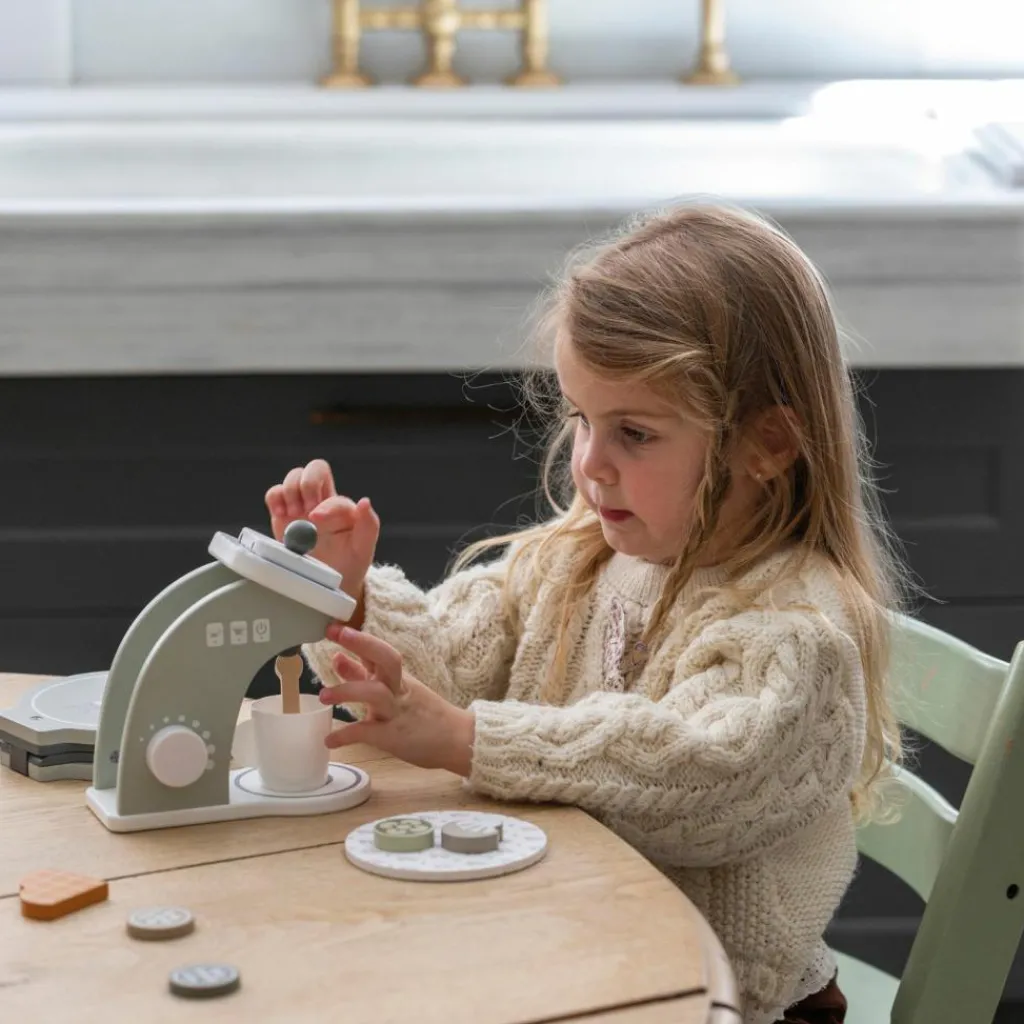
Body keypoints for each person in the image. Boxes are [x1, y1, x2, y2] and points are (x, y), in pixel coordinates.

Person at [264, 202, 912, 1024]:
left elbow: (695, 778)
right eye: (581, 418)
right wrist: (346, 598)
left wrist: (468, 738)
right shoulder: (580, 559)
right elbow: (448, 668)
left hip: (718, 999)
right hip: (576, 950)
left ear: (769, 444)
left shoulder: (796, 632)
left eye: (635, 433)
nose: (590, 464)